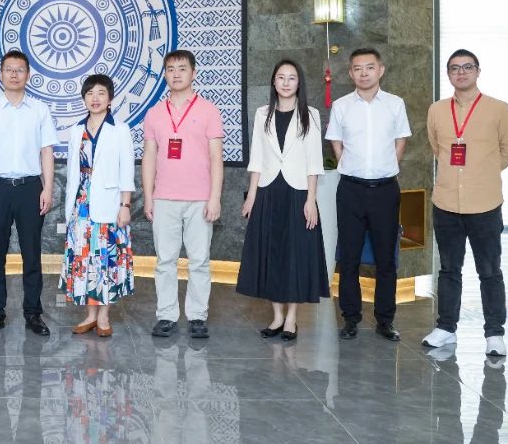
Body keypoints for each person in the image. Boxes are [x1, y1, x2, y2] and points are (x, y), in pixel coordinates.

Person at [422, 49, 508, 357]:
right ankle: (446, 328)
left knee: (489, 270)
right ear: (448, 74)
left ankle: (494, 333)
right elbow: (437, 148)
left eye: (467, 67)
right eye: (454, 68)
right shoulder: (437, 110)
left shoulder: (498, 109)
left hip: (485, 203)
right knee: (449, 269)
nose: (461, 72)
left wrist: (483, 172)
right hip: (446, 202)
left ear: (478, 71)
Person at [237, 59, 329, 340]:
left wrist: (311, 200)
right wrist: (251, 196)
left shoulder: (310, 115)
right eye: (281, 77)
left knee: (294, 255)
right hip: (268, 191)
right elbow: (256, 158)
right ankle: (276, 317)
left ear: (299, 83)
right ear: (274, 81)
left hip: (298, 192)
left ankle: (291, 319)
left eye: (291, 77)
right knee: (271, 253)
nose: (286, 82)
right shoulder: (262, 113)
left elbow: (314, 162)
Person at [326, 47, 412, 341]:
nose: (364, 73)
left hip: (385, 190)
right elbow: (336, 143)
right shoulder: (341, 106)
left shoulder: (395, 104)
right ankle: (350, 319)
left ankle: (385, 320)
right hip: (350, 190)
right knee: (349, 257)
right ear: (351, 73)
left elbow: (401, 141)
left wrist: (385, 168)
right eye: (358, 68)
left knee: (386, 258)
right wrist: (352, 167)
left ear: (381, 70)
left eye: (369, 67)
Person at [0, 48, 57, 336]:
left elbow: (47, 151)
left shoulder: (39, 110)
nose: (14, 74)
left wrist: (47, 188)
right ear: (1, 74)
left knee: (32, 254)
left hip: (31, 188)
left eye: (20, 70)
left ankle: (33, 313)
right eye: (9, 69)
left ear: (28, 75)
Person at [141, 49, 224, 340]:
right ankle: (166, 316)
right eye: (171, 69)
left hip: (200, 198)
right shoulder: (154, 113)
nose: (176, 74)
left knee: (199, 260)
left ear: (193, 73)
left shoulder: (209, 111)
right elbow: (149, 156)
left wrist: (215, 197)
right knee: (165, 261)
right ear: (165, 74)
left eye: (182, 68)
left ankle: (198, 316)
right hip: (164, 197)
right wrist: (148, 196)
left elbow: (216, 157)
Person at [60, 73, 135, 337]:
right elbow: (72, 171)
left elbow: (127, 169)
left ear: (110, 98)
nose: (95, 98)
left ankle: (104, 316)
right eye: (90, 93)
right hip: (81, 203)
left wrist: (125, 204)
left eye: (101, 93)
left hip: (110, 203)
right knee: (84, 258)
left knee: (106, 260)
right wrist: (69, 207)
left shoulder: (120, 129)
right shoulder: (75, 130)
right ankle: (90, 315)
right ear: (84, 99)